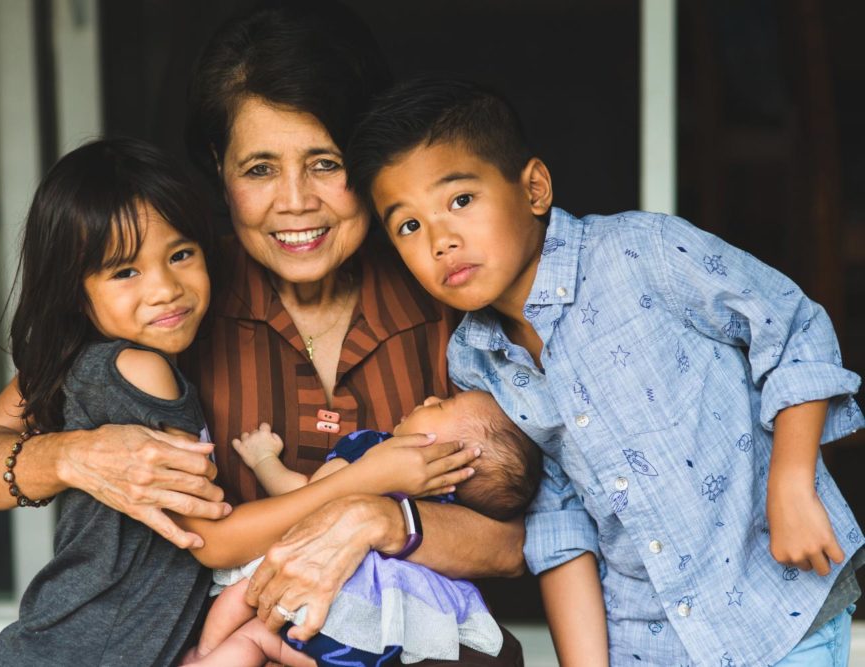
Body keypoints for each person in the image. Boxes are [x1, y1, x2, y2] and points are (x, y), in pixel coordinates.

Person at [0, 4, 527, 665]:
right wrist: (73, 456)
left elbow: (525, 541)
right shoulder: (177, 294)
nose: (295, 200)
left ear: (366, 159)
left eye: (324, 163)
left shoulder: (441, 292)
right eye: (260, 169)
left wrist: (384, 520)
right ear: (219, 168)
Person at [345, 78, 865, 666]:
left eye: (460, 200)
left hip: (777, 608)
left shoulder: (643, 253)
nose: (441, 240)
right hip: (648, 641)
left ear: (534, 188)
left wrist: (791, 484)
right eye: (408, 226)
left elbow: (791, 326)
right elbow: (557, 516)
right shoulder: (476, 361)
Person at [0, 136, 475, 665]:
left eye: (180, 255)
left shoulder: (103, 366)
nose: (165, 288)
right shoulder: (140, 370)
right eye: (126, 272)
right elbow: (210, 542)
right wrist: (367, 480)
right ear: (76, 293)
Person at [184, 390, 540, 666]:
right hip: (384, 632)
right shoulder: (458, 505)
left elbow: (305, 494)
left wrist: (263, 460)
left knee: (245, 601)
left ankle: (205, 652)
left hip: (328, 599)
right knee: (260, 641)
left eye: (443, 405)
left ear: (457, 455)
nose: (431, 397)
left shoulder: (376, 452)